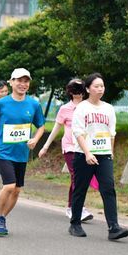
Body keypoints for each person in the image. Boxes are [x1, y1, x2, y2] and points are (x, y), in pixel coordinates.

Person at [69, 73, 128, 240]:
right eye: (96, 86)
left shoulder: (109, 108)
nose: (100, 89)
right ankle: (75, 224)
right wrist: (87, 153)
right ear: (88, 89)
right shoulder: (82, 107)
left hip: (104, 156)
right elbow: (78, 132)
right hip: (83, 155)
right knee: (80, 189)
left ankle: (113, 227)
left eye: (102, 86)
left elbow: (112, 133)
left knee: (108, 188)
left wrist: (110, 152)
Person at [0, 68, 45, 236]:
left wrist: (35, 139)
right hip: (3, 151)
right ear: (11, 82)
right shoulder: (1, 103)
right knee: (9, 185)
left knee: (17, 190)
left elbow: (41, 126)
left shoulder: (33, 104)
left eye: (26, 81)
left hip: (21, 153)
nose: (23, 84)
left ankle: (2, 217)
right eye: (19, 80)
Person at [38, 79, 94, 221]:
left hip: (84, 147)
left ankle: (71, 207)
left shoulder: (89, 107)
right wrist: (45, 146)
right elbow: (56, 128)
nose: (78, 94)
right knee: (76, 176)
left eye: (80, 90)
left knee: (79, 177)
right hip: (69, 147)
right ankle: (78, 208)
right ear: (70, 92)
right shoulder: (65, 109)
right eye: (75, 91)